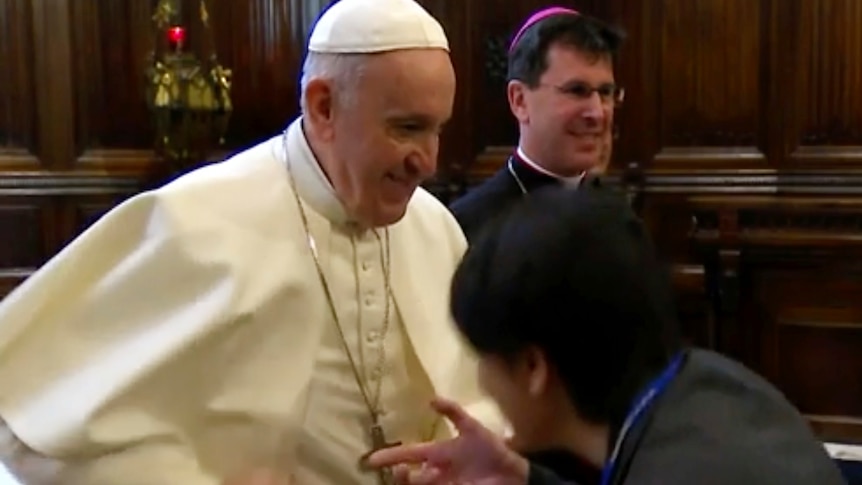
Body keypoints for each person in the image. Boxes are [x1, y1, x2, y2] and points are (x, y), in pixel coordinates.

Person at [0, 0, 503, 483]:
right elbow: (41, 432)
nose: (429, 161)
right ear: (323, 107)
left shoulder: (434, 228)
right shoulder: (196, 222)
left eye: (438, 130)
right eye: (407, 128)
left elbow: (477, 398)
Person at [369, 185, 847, 485]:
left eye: (483, 357)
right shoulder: (712, 384)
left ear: (534, 368)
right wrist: (523, 477)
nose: (482, 382)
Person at [450, 7, 624, 243]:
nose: (597, 113)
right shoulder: (467, 227)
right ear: (519, 100)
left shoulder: (622, 218)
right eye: (576, 91)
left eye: (605, 92)